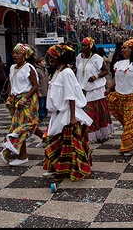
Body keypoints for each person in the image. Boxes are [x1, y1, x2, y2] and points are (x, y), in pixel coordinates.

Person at [43, 44, 93, 182]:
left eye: (50, 57)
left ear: (57, 58)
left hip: (67, 114)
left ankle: (66, 170)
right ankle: (57, 167)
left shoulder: (67, 73)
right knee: (55, 142)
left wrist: (72, 117)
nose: (49, 60)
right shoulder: (58, 71)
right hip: (57, 114)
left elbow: (71, 96)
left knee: (67, 145)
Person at [1, 43, 39, 166]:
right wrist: (9, 96)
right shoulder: (12, 67)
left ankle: (23, 156)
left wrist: (24, 99)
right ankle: (46, 139)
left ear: (25, 55)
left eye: (18, 53)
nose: (14, 55)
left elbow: (35, 86)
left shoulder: (29, 67)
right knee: (25, 125)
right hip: (15, 100)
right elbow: (12, 83)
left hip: (27, 100)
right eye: (13, 53)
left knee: (21, 127)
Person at [75, 37, 114, 143]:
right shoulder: (79, 57)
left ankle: (99, 134)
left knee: (93, 114)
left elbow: (106, 71)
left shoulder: (96, 58)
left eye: (85, 46)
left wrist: (96, 76)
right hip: (82, 90)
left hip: (96, 91)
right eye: (82, 45)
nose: (82, 48)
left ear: (91, 47)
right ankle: (86, 135)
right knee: (84, 113)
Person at [35, 56, 49, 122]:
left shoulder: (45, 70)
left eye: (44, 61)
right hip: (41, 90)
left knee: (45, 104)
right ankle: (41, 116)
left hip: (46, 90)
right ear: (39, 63)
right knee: (41, 104)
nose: (44, 63)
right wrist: (38, 91)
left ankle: (45, 115)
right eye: (43, 61)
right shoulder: (37, 70)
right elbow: (37, 82)